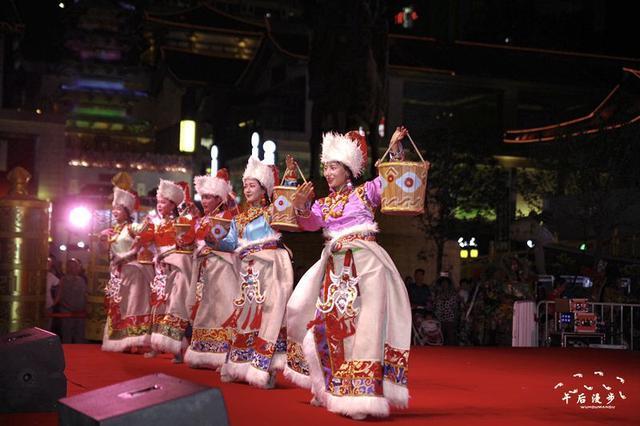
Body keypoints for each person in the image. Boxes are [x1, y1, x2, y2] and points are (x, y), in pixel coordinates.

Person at [285, 127, 413, 420]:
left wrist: (394, 150)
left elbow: (392, 181)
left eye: (333, 167)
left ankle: (360, 394)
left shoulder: (366, 192)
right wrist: (301, 206)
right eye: (326, 167)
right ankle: (325, 388)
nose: (328, 172)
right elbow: (309, 223)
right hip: (332, 270)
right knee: (321, 325)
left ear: (348, 169)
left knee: (361, 330)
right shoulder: (324, 203)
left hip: (364, 268)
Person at [211, 156, 294, 388]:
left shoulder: (271, 212)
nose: (247, 189)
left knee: (270, 315)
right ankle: (238, 364)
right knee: (245, 319)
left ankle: (265, 368)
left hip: (269, 271)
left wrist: (290, 178)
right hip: (248, 274)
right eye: (245, 185)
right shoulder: (240, 218)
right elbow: (229, 243)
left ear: (264, 188)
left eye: (252, 185)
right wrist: (212, 238)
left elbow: (286, 205)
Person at [184, 169, 240, 369]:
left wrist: (212, 243)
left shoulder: (227, 216)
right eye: (203, 197)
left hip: (221, 267)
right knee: (203, 308)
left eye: (209, 197)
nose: (205, 201)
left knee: (222, 308)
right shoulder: (203, 219)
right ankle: (203, 352)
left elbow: (228, 242)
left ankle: (224, 354)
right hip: (203, 268)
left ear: (219, 198)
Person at [144, 179, 195, 363]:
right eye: (158, 203)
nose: (160, 206)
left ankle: (179, 349)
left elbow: (186, 245)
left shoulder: (180, 222)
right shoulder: (156, 224)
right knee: (157, 306)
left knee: (175, 306)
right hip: (160, 269)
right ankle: (156, 345)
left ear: (173, 205)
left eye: (164, 202)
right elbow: (145, 242)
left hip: (176, 269)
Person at [100, 180, 154, 352]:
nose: (114, 212)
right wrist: (102, 239)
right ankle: (120, 340)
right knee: (120, 306)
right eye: (113, 208)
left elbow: (144, 241)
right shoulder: (113, 231)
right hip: (118, 273)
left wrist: (124, 257)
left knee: (136, 305)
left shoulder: (133, 227)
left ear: (127, 211)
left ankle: (137, 343)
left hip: (134, 271)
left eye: (118, 209)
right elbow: (107, 251)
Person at [52, 258, 87, 343]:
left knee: (79, 336)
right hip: (67, 312)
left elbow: (85, 295)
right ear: (68, 268)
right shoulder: (63, 280)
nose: (74, 268)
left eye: (76, 266)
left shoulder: (81, 280)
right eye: (71, 266)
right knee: (67, 336)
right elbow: (58, 296)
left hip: (80, 313)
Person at [434, 275, 460, 346]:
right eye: (443, 283)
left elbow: (455, 308)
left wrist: (456, 319)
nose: (444, 285)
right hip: (440, 319)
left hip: (450, 319)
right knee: (441, 338)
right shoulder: (438, 295)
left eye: (446, 283)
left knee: (451, 337)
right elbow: (436, 307)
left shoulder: (453, 295)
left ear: (449, 285)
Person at [45, 256, 60, 332]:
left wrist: (56, 300)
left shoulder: (50, 276)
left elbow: (59, 286)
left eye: (49, 263)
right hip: (33, 306)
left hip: (48, 305)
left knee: (47, 328)